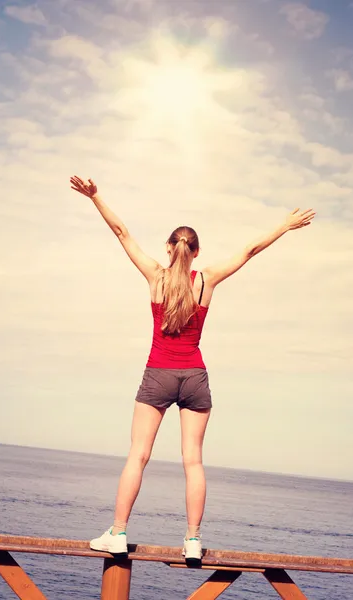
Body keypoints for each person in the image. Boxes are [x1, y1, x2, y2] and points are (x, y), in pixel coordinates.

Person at [70, 175, 315, 562]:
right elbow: (250, 250)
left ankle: (117, 533)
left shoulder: (156, 276)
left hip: (158, 374)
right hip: (195, 378)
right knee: (193, 461)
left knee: (138, 455)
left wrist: (95, 198)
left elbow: (121, 232)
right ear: (196, 253)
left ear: (170, 248)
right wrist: (284, 226)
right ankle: (193, 541)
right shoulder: (208, 281)